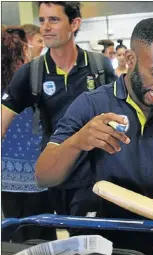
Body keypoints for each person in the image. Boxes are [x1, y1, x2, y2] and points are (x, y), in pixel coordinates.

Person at [35, 18, 153, 255]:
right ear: (130, 60)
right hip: (109, 237)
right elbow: (43, 175)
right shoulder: (92, 105)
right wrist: (78, 140)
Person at [1, 1, 117, 218]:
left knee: (99, 247)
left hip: (98, 177)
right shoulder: (32, 72)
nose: (45, 27)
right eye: (42, 20)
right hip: (57, 177)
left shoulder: (99, 66)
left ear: (74, 24)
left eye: (54, 20)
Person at [1, 26, 57, 243]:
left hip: (6, 174)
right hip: (38, 170)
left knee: (14, 235)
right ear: (22, 51)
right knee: (42, 235)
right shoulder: (30, 79)